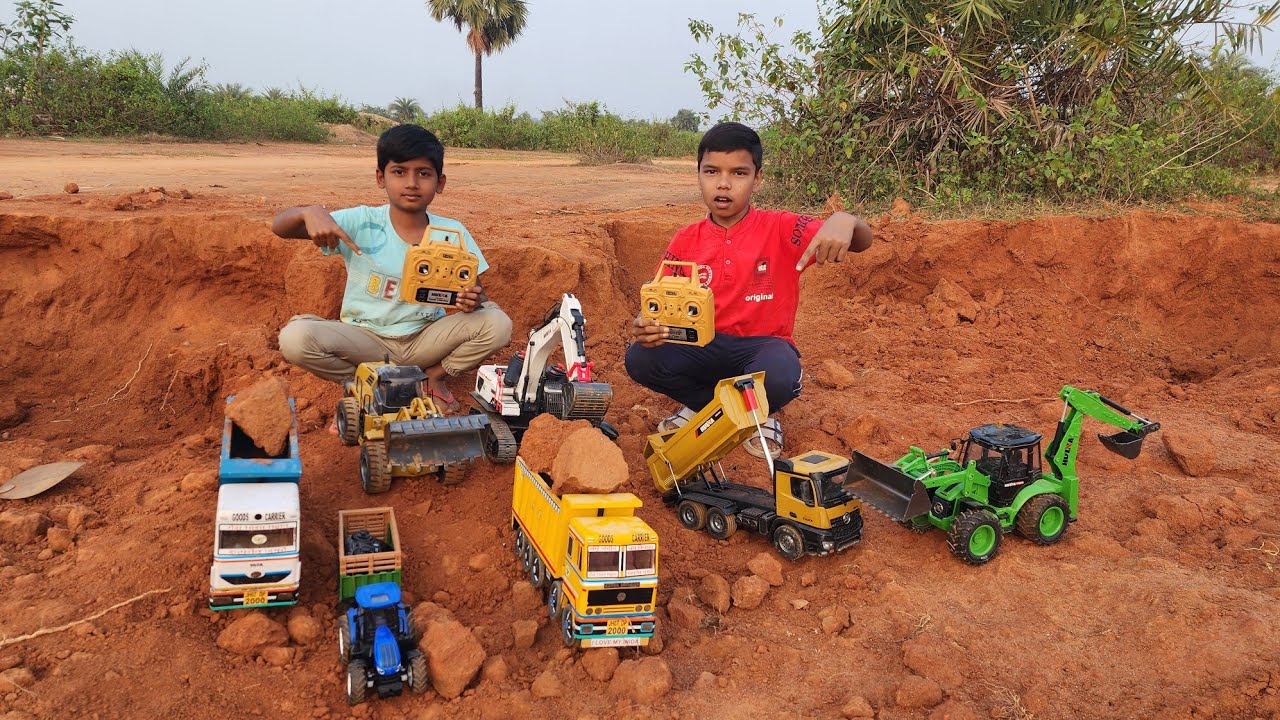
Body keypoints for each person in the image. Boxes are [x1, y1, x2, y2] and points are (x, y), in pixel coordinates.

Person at [625, 122, 873, 458]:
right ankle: (715, 410)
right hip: (701, 345)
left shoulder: (782, 228)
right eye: (712, 171)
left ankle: (760, 415)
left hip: (761, 349)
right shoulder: (686, 239)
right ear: (698, 174)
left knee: (782, 375)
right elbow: (659, 302)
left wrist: (845, 220)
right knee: (640, 358)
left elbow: (861, 241)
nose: (723, 183)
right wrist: (646, 325)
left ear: (757, 179)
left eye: (739, 173)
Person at [273, 124, 512, 417]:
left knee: (497, 323)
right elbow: (281, 228)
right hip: (365, 341)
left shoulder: (452, 232)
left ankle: (432, 378)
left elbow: (477, 293)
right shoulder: (361, 222)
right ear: (380, 177)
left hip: (425, 340)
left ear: (440, 182)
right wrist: (308, 212)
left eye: (423, 173)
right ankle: (365, 388)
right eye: (399, 172)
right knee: (295, 338)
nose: (411, 183)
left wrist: (472, 300)